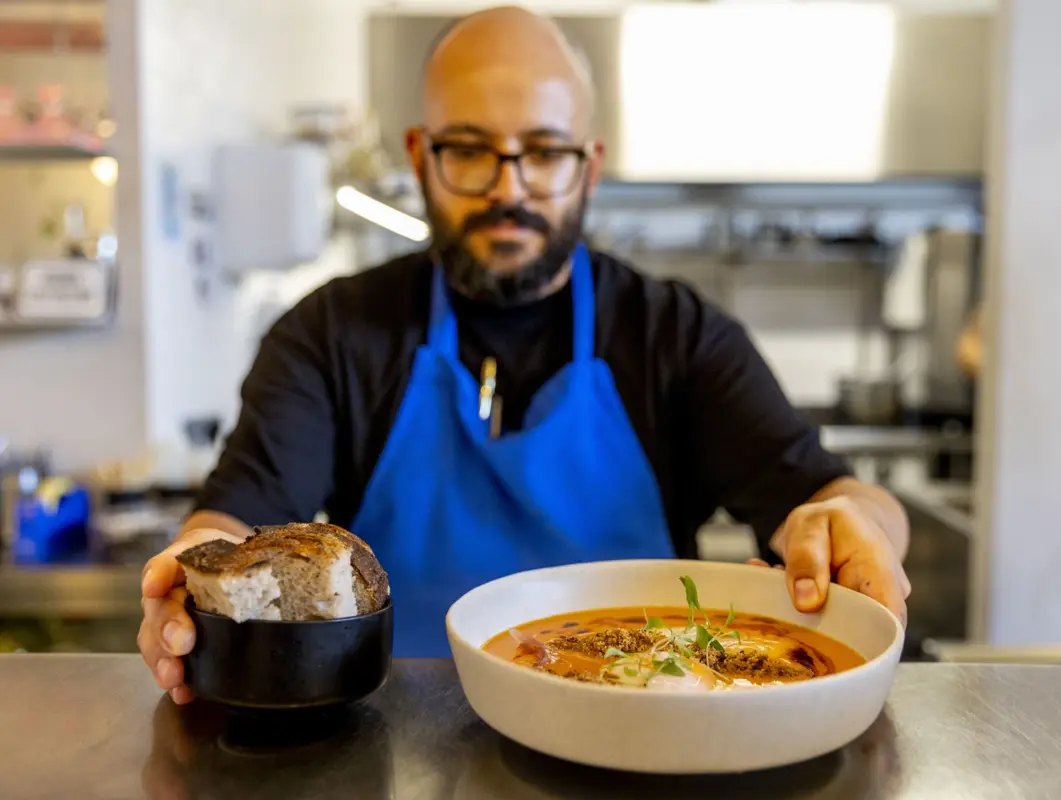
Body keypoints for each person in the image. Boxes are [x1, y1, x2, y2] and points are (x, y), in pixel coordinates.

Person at [138, 5, 911, 704]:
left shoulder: (676, 337)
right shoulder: (332, 335)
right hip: (394, 753)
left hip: (647, 746)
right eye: (471, 151)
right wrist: (195, 571)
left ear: (590, 166)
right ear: (419, 155)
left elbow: (830, 497)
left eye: (544, 152)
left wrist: (856, 522)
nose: (510, 189)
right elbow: (235, 516)